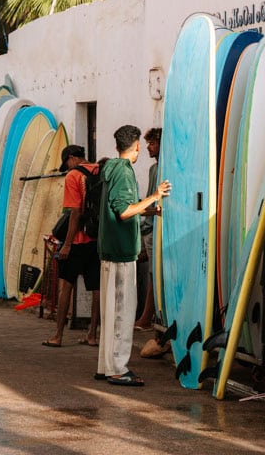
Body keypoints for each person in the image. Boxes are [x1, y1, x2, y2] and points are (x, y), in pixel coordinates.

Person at [96, 125, 170, 386]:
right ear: (136, 146)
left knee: (110, 313)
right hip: (121, 252)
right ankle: (117, 368)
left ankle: (107, 366)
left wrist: (150, 211)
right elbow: (124, 211)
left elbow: (117, 207)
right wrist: (154, 196)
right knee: (122, 312)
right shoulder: (125, 172)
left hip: (109, 249)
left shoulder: (110, 168)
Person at [44, 144, 100, 348]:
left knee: (66, 286)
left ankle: (57, 336)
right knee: (96, 289)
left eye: (66, 163)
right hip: (96, 239)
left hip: (77, 241)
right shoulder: (99, 170)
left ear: (71, 158)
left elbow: (75, 212)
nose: (66, 167)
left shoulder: (73, 176)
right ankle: (92, 335)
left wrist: (66, 245)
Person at [134, 127, 161, 330]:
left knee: (154, 272)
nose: (148, 148)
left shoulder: (162, 168)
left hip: (154, 225)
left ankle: (148, 316)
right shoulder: (154, 169)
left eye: (152, 144)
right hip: (148, 224)